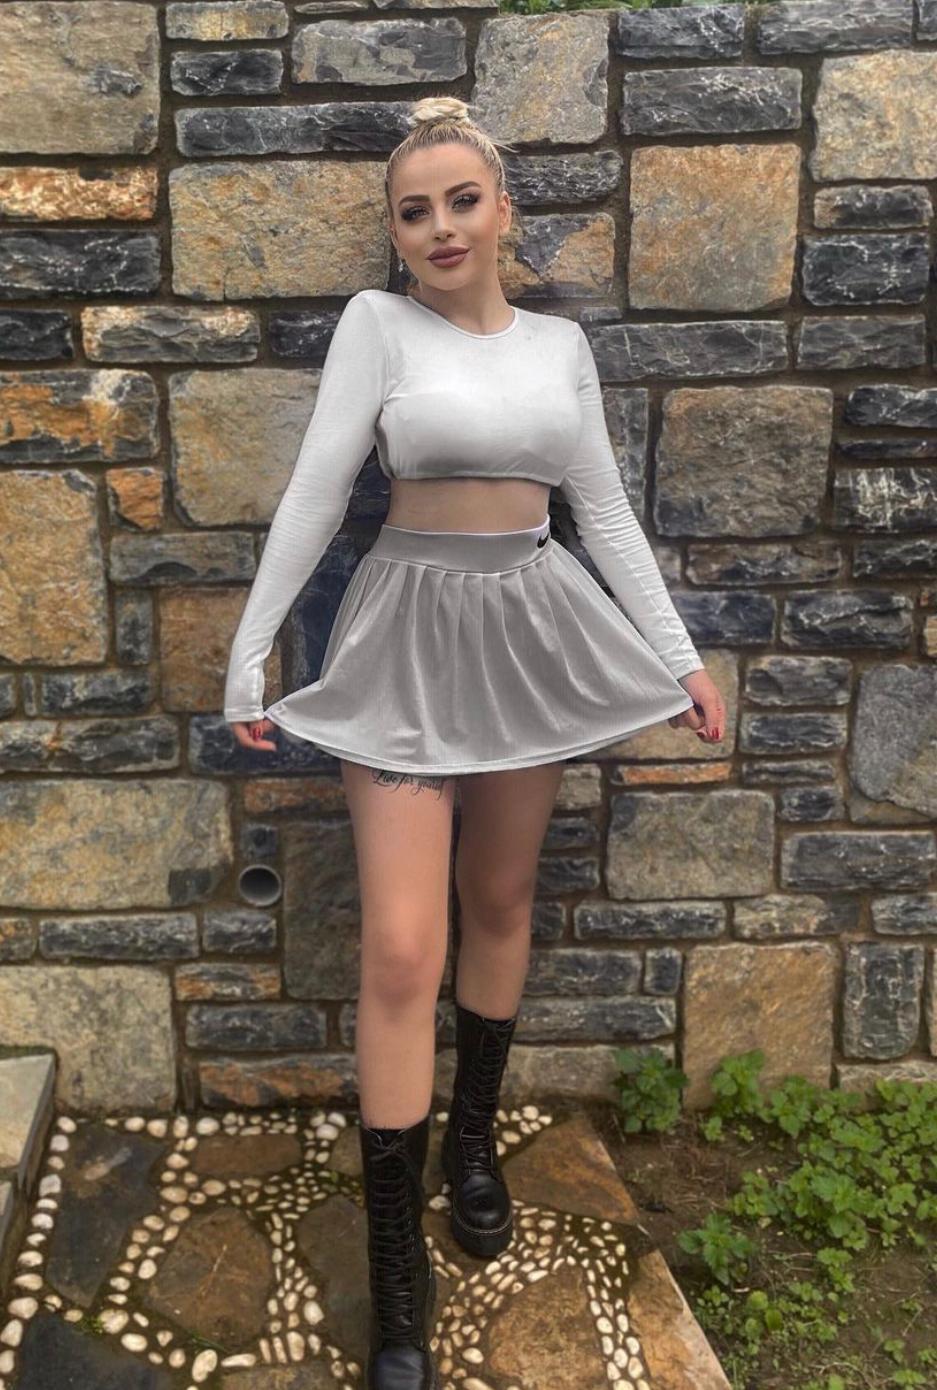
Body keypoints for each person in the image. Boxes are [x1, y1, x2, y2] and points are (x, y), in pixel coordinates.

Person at [223, 95, 725, 1390]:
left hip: (529, 629)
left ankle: (473, 1142)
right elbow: (318, 488)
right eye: (413, 211)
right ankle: (399, 1276)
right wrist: (249, 650)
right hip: (403, 634)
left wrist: (678, 656)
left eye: (460, 200)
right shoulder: (376, 326)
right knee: (402, 943)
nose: (439, 226)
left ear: (503, 209)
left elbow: (602, 511)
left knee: (499, 897)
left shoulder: (560, 346)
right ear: (394, 235)